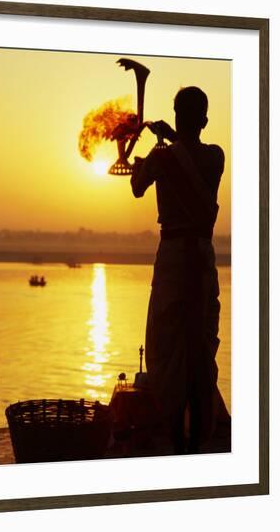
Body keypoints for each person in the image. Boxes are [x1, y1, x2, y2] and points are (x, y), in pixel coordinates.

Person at [130, 86, 226, 454]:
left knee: (167, 349)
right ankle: (199, 439)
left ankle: (173, 437)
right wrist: (169, 141)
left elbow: (137, 187)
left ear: (176, 116)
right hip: (201, 259)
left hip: (173, 261)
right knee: (198, 347)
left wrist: (146, 160)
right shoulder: (214, 156)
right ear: (203, 120)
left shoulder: (163, 157)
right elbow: (188, 159)